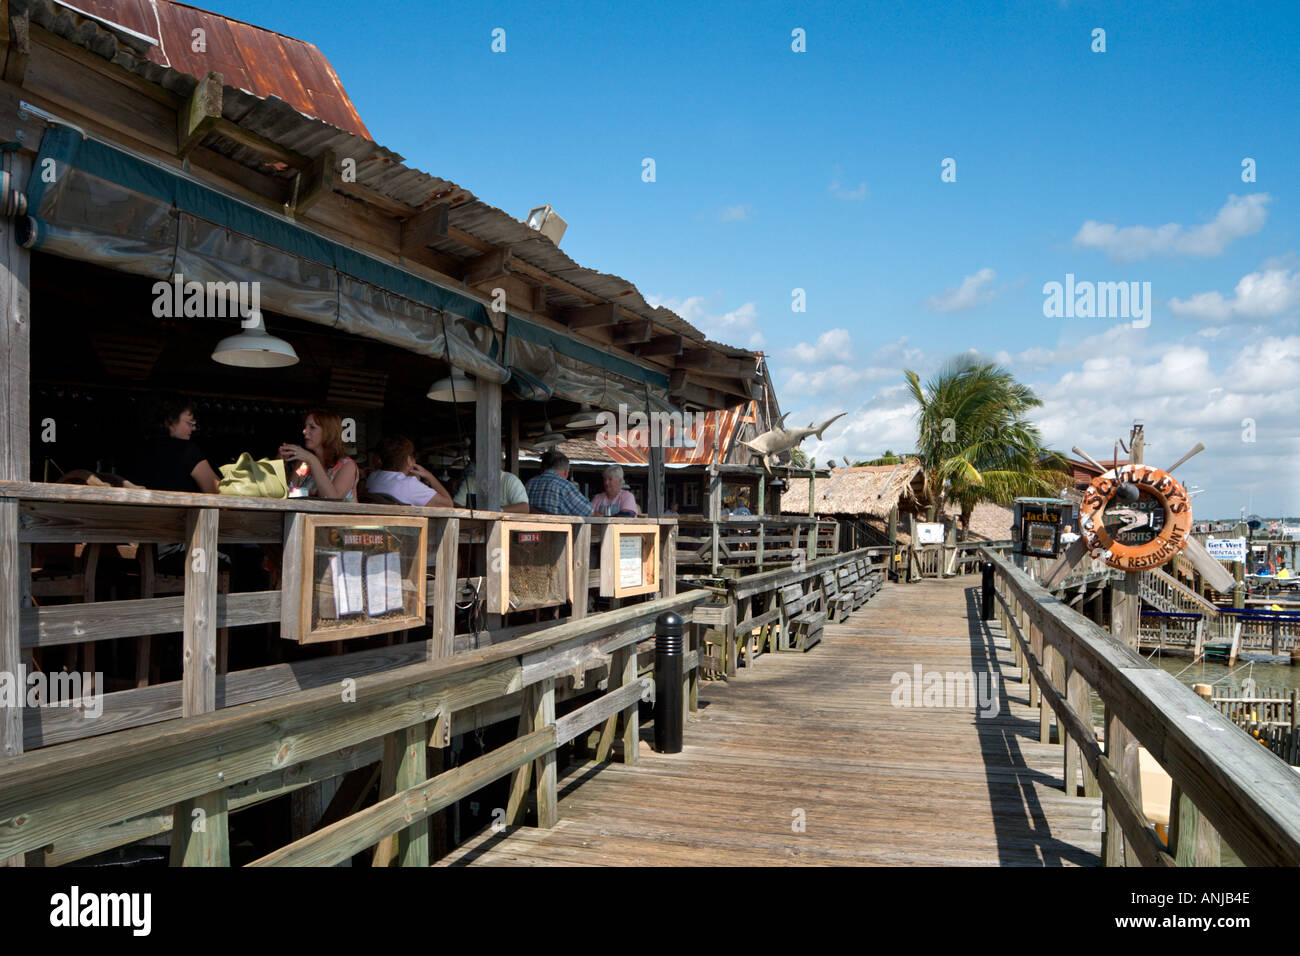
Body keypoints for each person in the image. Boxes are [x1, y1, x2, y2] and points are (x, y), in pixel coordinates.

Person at [131, 394, 221, 494]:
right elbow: (216, 492)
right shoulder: (187, 451)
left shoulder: (136, 450)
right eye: (190, 423)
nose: (193, 428)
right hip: (179, 509)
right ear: (170, 422)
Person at [279, 408, 358, 501]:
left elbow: (332, 500)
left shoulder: (347, 465)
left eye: (312, 427)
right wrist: (281, 463)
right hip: (304, 515)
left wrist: (312, 460)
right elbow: (289, 493)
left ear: (328, 432)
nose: (304, 431)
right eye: (305, 427)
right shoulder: (303, 464)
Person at [364, 435, 455, 507]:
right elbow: (448, 504)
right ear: (408, 460)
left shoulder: (373, 477)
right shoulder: (410, 485)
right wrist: (429, 475)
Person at [526, 450, 592, 516]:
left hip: (528, 525)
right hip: (554, 525)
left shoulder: (529, 483)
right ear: (566, 472)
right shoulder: (564, 486)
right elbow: (588, 512)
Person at [454, 469, 531, 513]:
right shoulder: (470, 480)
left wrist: (497, 510)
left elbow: (524, 508)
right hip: (475, 528)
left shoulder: (510, 480)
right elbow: (456, 504)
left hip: (503, 529)